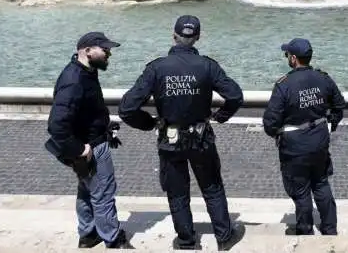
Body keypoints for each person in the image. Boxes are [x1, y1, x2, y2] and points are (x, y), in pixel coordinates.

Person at [118, 16, 245, 251]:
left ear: (173, 35)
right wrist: (221, 116)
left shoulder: (156, 68)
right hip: (201, 137)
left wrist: (150, 123)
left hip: (171, 138)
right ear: (197, 37)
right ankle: (224, 237)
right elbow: (236, 96)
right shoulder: (208, 66)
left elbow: (126, 109)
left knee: (177, 193)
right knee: (212, 187)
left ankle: (186, 241)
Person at [45, 32, 132, 249]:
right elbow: (56, 124)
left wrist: (104, 126)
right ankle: (112, 238)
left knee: (87, 190)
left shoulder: (85, 72)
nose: (109, 53)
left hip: (92, 140)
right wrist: (78, 149)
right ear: (87, 51)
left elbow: (84, 110)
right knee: (103, 192)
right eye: (104, 49)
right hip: (90, 147)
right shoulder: (74, 80)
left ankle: (88, 234)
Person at [262, 38, 346, 236]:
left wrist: (277, 134)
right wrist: (331, 122)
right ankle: (330, 228)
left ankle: (305, 230)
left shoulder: (284, 85)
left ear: (293, 58)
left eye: (286, 55)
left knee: (301, 191)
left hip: (295, 147)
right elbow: (339, 105)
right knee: (321, 183)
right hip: (319, 141)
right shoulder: (323, 78)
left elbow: (270, 123)